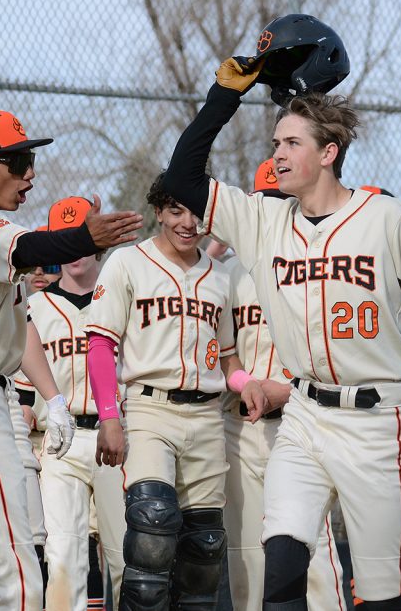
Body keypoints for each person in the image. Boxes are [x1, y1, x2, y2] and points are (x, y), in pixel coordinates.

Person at [158, 55, 401, 611]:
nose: (277, 154)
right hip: (306, 417)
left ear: (328, 153)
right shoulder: (263, 219)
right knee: (280, 572)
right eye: (275, 143)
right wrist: (224, 95)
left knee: (384, 596)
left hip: (377, 423)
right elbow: (181, 180)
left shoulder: (384, 218)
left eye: (291, 143)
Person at [0, 109, 142, 611]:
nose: (28, 172)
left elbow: (22, 286)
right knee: (15, 581)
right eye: (16, 161)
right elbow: (29, 245)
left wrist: (52, 397)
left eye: (29, 158)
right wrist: (85, 237)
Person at [84, 173, 263, 611]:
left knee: (203, 550)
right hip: (150, 408)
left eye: (197, 212)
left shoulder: (220, 277)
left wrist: (246, 383)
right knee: (152, 528)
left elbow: (227, 358)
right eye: (177, 210)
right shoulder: (129, 262)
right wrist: (109, 416)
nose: (188, 222)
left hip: (206, 417)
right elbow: (100, 344)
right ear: (159, 212)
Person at [208, 159, 346, 611]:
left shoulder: (320, 267)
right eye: (264, 202)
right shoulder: (224, 275)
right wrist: (247, 383)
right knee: (247, 560)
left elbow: (337, 359)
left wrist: (284, 391)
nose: (273, 210)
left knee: (318, 557)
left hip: (304, 420)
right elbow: (222, 355)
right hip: (240, 427)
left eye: (281, 201)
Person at [28, 196, 126, 611]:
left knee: (127, 556)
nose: (73, 251)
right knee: (63, 555)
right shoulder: (34, 306)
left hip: (118, 437)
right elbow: (21, 388)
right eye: (64, 240)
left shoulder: (124, 296)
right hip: (59, 443)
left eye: (81, 238)